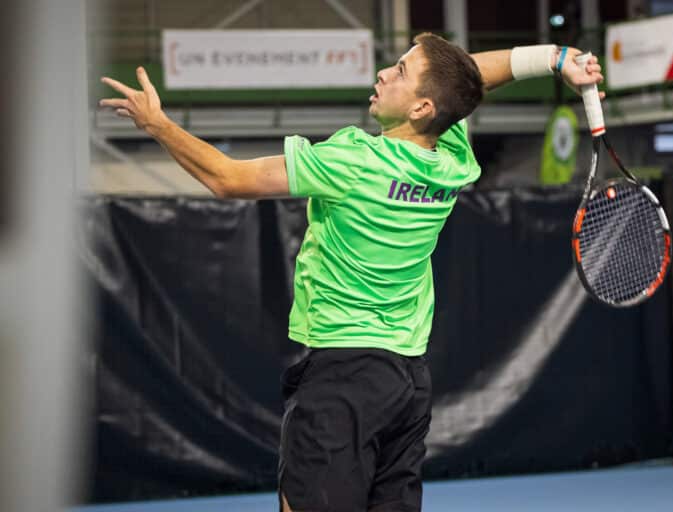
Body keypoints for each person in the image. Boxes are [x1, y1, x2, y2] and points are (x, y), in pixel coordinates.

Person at [100, 33, 604, 512]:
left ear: (421, 108)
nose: (384, 73)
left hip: (342, 381)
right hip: (408, 383)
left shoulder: (353, 160)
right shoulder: (453, 160)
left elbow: (228, 179)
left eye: (401, 70)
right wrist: (556, 59)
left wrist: (158, 124)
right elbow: (467, 80)